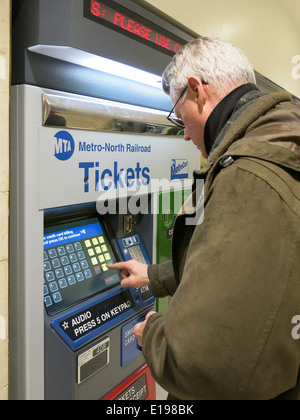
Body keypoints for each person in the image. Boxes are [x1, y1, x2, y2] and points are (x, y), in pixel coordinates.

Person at [108, 37, 300, 400]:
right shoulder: (278, 138)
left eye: (180, 118)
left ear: (197, 91)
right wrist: (154, 275)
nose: (184, 133)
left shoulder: (249, 175)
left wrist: (152, 334)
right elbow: (238, 268)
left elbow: (204, 361)